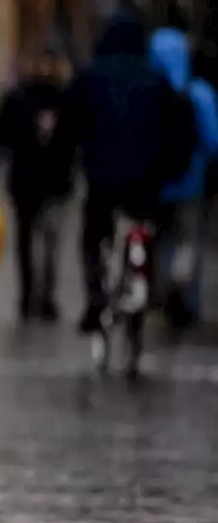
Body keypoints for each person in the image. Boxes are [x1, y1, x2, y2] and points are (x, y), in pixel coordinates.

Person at [53, 9, 178, 333]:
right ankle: (142, 288)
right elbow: (178, 127)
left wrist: (65, 167)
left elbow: (67, 127)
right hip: (146, 180)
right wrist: (170, 169)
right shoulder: (156, 78)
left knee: (94, 236)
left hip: (102, 177)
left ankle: (96, 296)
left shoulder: (90, 76)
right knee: (146, 233)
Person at [0, 45, 74, 322]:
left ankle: (46, 296)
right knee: (26, 242)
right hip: (24, 184)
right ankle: (28, 292)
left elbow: (80, 136)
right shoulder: (17, 99)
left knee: (51, 242)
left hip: (57, 184)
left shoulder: (67, 100)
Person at [150, 5, 218, 329]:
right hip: (192, 182)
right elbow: (213, 139)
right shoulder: (199, 92)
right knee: (190, 240)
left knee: (161, 238)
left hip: (154, 183)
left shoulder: (147, 89)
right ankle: (185, 297)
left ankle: (160, 293)